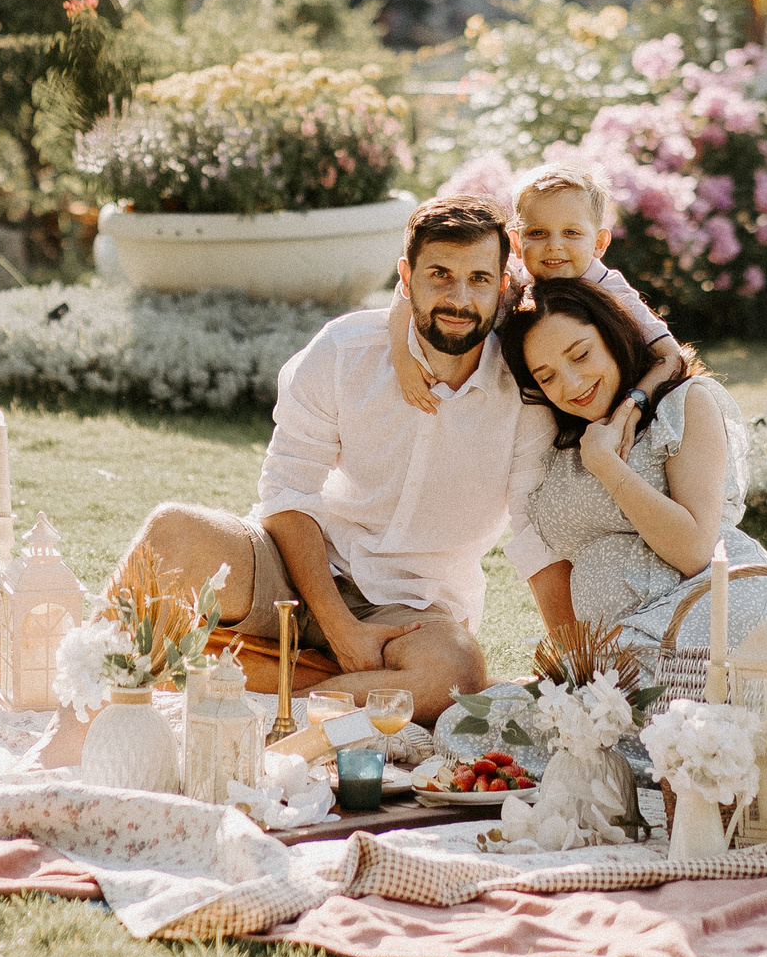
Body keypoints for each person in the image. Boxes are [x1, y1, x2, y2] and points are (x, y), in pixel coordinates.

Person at [107, 195, 553, 719]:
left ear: (502, 285)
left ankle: (275, 703)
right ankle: (86, 698)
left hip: (411, 608)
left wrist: (576, 662)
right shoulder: (345, 351)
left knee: (455, 675)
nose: (459, 299)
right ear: (406, 279)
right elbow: (287, 493)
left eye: (479, 279)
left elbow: (534, 533)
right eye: (440, 275)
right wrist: (340, 627)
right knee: (173, 533)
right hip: (299, 569)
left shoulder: (525, 393)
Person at [503, 275, 767, 653]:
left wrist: (607, 466)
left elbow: (696, 551)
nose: (571, 384)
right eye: (547, 376)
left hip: (710, 604)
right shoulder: (564, 439)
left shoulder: (683, 406)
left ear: (612, 335)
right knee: (473, 714)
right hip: (623, 641)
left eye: (581, 355)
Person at [389, 164, 685, 446]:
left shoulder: (610, 288)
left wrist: (633, 407)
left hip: (633, 415)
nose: (554, 245)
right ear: (516, 242)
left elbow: (672, 357)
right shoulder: (515, 285)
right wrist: (402, 357)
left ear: (599, 242)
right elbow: (406, 293)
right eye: (538, 233)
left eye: (571, 233)